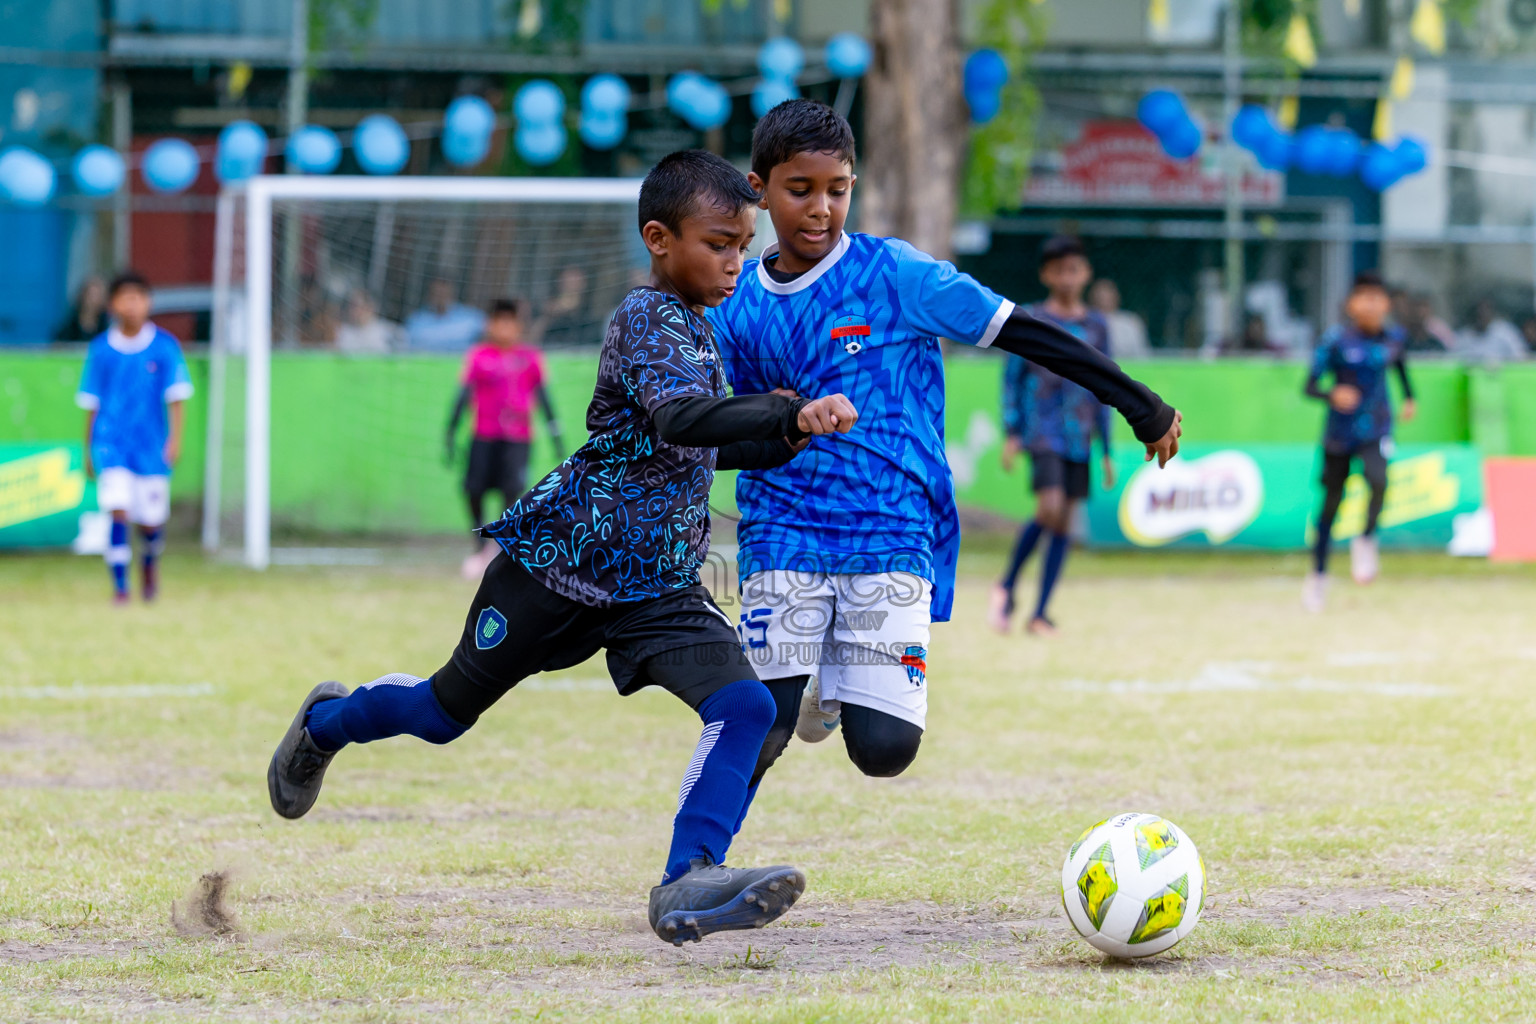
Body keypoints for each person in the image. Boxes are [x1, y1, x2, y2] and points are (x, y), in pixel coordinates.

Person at [267, 150, 860, 946]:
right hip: (560, 567)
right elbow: (682, 421)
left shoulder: (698, 331)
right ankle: (325, 724)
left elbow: (700, 449)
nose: (734, 261)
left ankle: (689, 878)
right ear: (659, 238)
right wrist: (776, 411)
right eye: (718, 241)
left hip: (656, 586)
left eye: (742, 245)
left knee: (746, 705)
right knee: (443, 714)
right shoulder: (646, 318)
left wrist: (792, 430)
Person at [709, 100, 1181, 783]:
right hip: (784, 525)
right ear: (759, 187)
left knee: (884, 753)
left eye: (837, 190)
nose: (820, 209)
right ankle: (697, 870)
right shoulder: (738, 303)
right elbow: (716, 423)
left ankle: (831, 688)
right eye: (800, 190)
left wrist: (1137, 402)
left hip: (892, 528)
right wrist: (768, 416)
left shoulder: (896, 276)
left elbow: (1021, 330)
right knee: (762, 728)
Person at [990, 235, 1116, 637]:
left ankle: (1040, 613)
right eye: (1059, 269)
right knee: (1050, 507)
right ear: (1046, 274)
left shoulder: (1097, 326)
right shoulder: (1032, 320)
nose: (1067, 276)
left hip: (1080, 436)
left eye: (1074, 268)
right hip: (1041, 431)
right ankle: (1007, 584)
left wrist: (1107, 447)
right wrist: (1012, 431)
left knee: (1063, 522)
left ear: (1086, 273)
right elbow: (1012, 379)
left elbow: (1106, 385)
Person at [75, 272, 193, 604]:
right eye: (124, 297)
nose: (132, 304)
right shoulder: (101, 350)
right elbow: (91, 403)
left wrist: (175, 440)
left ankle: (149, 567)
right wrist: (88, 451)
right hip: (111, 445)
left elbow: (177, 398)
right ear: (112, 304)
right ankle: (121, 588)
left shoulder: (165, 347)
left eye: (138, 297)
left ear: (148, 303)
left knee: (151, 521)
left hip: (151, 447)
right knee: (118, 510)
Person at [1302, 270, 1416, 611]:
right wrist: (1331, 394)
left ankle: (1365, 537)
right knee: (1330, 505)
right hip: (1340, 433)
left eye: (1377, 297)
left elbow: (1400, 367)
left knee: (1378, 479)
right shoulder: (1336, 341)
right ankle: (1318, 576)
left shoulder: (1394, 337)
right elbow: (1309, 386)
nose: (1371, 304)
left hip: (1377, 428)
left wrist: (1410, 397)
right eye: (1363, 297)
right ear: (1351, 304)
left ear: (1386, 304)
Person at [446, 298, 561, 579]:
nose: (505, 327)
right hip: (483, 436)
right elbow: (462, 395)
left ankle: (499, 551)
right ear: (490, 324)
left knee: (511, 494)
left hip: (517, 439)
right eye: (499, 320)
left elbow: (544, 399)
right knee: (473, 490)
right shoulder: (479, 356)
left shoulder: (531, 357)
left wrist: (556, 434)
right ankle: (479, 547)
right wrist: (450, 430)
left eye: (510, 321)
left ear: (519, 325)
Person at [406, 278, 486, 352]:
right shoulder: (416, 320)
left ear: (452, 293)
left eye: (444, 293)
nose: (440, 297)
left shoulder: (472, 318)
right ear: (430, 295)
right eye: (436, 293)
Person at [533, 266, 604, 348]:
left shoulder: (589, 316)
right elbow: (532, 340)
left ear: (584, 283)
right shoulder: (547, 311)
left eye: (576, 278)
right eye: (568, 278)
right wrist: (548, 315)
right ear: (559, 282)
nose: (571, 282)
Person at [1087, 277, 1151, 359]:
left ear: (1116, 296)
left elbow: (1142, 354)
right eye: (1100, 294)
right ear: (1091, 296)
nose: (1104, 298)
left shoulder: (1130, 321)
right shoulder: (1085, 320)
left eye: (1108, 293)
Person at [1456, 299, 1528, 363]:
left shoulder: (1506, 333)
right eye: (1479, 314)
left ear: (1492, 313)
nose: (1482, 316)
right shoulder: (1464, 337)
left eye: (1485, 312)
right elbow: (1452, 360)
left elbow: (1521, 357)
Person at [334, 289, 404, 353]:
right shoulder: (341, 333)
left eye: (357, 306)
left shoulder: (389, 332)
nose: (354, 311)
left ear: (370, 307)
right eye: (351, 306)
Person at [55, 276, 107, 342]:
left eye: (98, 296)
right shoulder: (68, 328)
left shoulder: (107, 329)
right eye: (91, 295)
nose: (94, 301)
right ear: (82, 296)